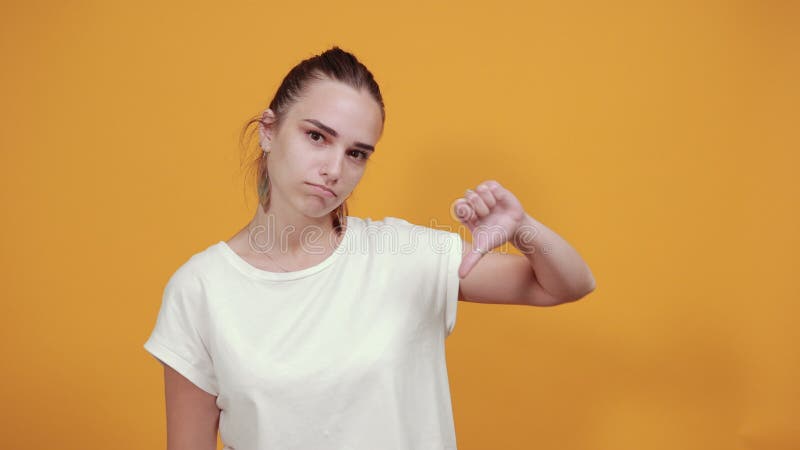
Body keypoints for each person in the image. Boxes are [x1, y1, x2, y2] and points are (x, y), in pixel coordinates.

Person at [144, 46, 596, 450]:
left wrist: (523, 229)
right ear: (268, 130)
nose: (334, 168)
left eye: (357, 153)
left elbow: (566, 285)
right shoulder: (200, 290)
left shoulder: (404, 255)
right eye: (317, 136)